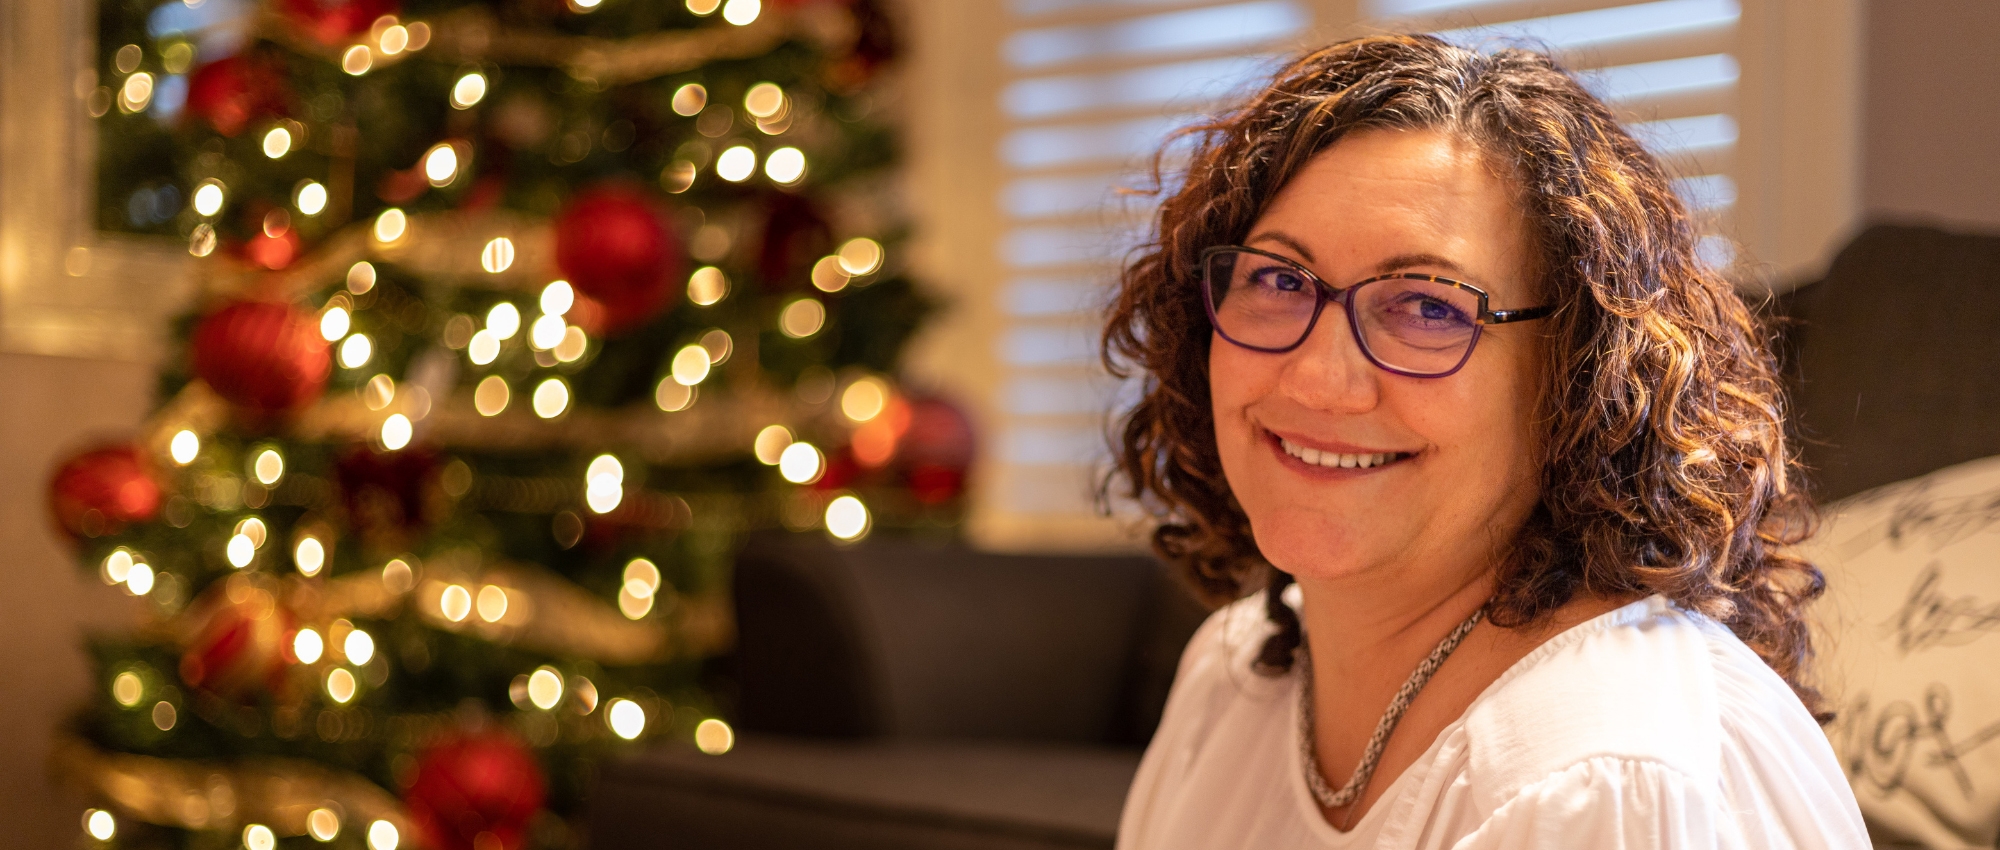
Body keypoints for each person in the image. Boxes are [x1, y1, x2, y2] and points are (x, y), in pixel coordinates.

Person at [1102, 34, 1868, 848]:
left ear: (1575, 379)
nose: (1318, 380)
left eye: (1430, 308)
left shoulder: (1609, 780)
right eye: (1281, 280)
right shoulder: (1233, 677)